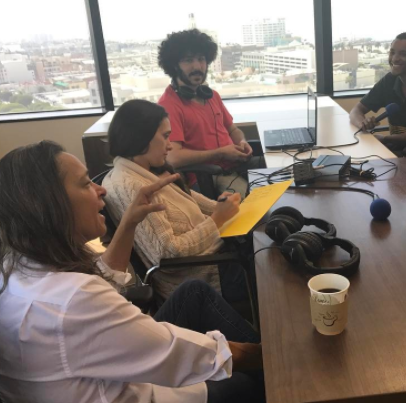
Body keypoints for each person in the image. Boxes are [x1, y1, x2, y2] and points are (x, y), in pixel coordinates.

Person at [0, 141, 264, 403]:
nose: (99, 189)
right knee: (244, 383)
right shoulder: (74, 300)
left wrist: (129, 221)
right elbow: (176, 354)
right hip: (136, 391)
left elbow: (103, 278)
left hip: (106, 376)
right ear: (47, 205)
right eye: (84, 184)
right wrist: (266, 356)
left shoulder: (15, 267)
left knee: (193, 292)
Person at [103, 99, 248, 304]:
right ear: (141, 138)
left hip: (215, 258)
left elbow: (197, 203)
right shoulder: (130, 186)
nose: (170, 145)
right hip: (203, 276)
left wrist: (227, 206)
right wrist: (216, 219)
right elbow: (167, 253)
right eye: (165, 136)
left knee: (270, 232)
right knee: (269, 265)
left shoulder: (148, 171)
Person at [157, 29, 263, 199]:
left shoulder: (212, 95)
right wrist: (220, 153)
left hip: (236, 164)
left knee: (285, 172)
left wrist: (242, 142)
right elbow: (173, 157)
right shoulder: (168, 105)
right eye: (188, 61)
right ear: (174, 65)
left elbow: (232, 130)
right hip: (211, 174)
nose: (197, 66)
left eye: (201, 59)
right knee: (252, 198)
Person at [349, 32, 406, 151]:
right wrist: (362, 124)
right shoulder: (389, 80)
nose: (394, 58)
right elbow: (356, 111)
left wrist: (385, 139)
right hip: (396, 150)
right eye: (392, 52)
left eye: (403, 54)